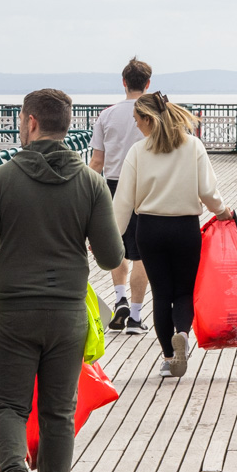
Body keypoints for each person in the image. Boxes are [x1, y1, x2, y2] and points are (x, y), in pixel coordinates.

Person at [0, 88, 123, 472]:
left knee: (8, 405)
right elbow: (112, 256)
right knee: (58, 411)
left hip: (13, 313)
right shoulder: (89, 184)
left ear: (30, 122)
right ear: (66, 125)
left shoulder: (1, 179)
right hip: (68, 313)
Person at [114, 93, 234, 377]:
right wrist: (222, 212)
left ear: (148, 119)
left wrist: (110, 237)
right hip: (185, 228)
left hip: (150, 230)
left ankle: (169, 357)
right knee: (184, 291)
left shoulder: (138, 152)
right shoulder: (193, 146)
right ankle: (183, 332)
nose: (136, 126)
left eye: (137, 121)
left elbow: (123, 202)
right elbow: (207, 191)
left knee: (161, 294)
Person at [89, 56, 151, 331]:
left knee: (118, 248)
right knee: (141, 253)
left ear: (124, 83)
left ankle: (120, 300)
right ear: (147, 84)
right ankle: (136, 317)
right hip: (147, 186)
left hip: (114, 184)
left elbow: (97, 162)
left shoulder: (107, 114)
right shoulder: (155, 115)